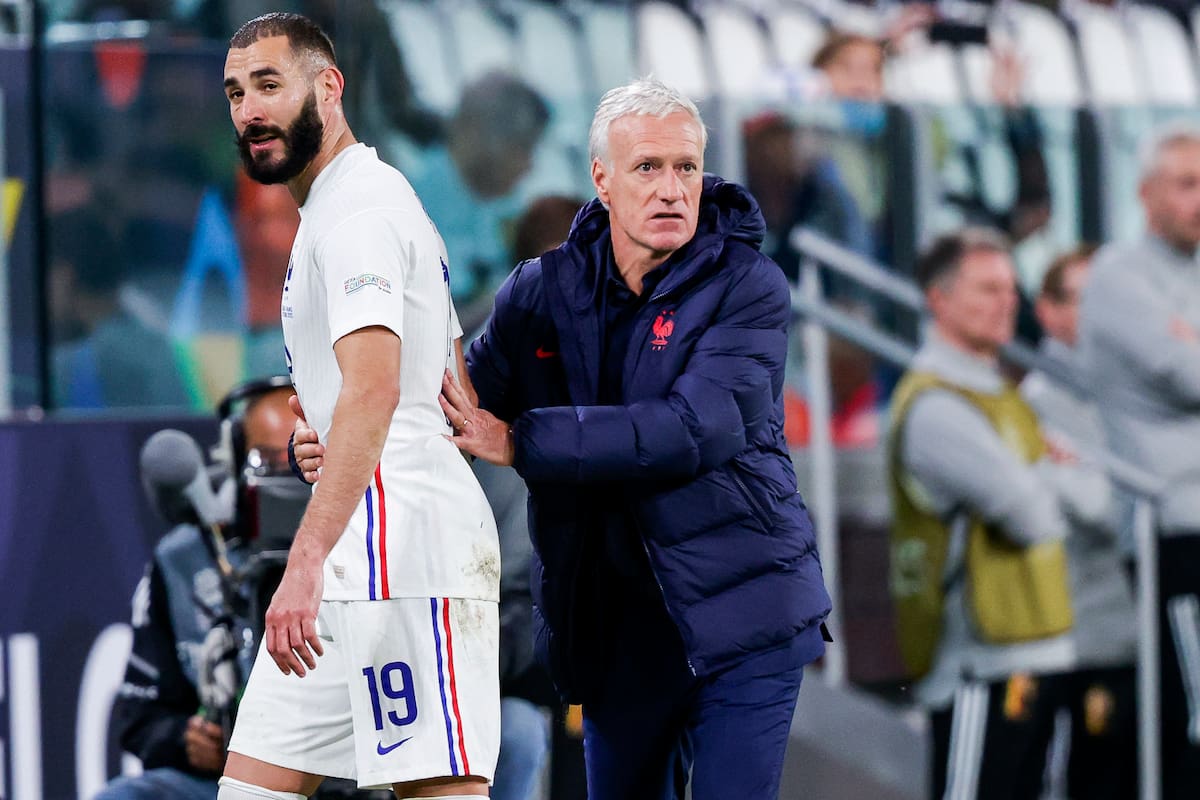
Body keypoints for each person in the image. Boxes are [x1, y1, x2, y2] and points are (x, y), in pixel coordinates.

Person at [433, 78, 832, 799]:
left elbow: (692, 429)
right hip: (615, 626)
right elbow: (451, 404)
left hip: (743, 615)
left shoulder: (750, 286)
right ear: (603, 180)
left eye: (687, 167)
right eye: (648, 167)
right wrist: (338, 436)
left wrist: (523, 439)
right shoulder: (541, 289)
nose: (673, 188)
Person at [217, 13, 499, 800]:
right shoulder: (348, 206)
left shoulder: (360, 215)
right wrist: (339, 432)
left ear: (329, 88)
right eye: (236, 93)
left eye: (270, 84)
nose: (249, 111)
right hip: (350, 558)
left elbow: (380, 390)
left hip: (405, 561)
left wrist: (300, 564)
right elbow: (440, 395)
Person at [887, 228, 1108, 799]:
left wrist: (1037, 476)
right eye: (987, 288)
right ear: (939, 299)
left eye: (1010, 288)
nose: (1005, 301)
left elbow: (1099, 503)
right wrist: (1050, 474)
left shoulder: (1002, 394)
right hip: (978, 661)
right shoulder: (936, 405)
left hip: (1038, 645)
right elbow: (1037, 517)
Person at [97, 381, 299, 800]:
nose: (287, 476)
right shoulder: (186, 558)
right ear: (235, 457)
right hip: (227, 781)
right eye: (269, 459)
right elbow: (141, 720)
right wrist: (185, 739)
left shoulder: (376, 541)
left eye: (301, 456)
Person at [1079, 122, 1200, 799]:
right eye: (1186, 183)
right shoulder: (1120, 275)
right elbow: (1189, 376)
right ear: (1145, 193)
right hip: (1173, 531)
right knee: (1194, 718)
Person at [1020, 247, 1138, 799]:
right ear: (1048, 310)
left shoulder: (1131, 391)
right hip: (1076, 639)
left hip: (1131, 631)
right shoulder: (1035, 402)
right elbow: (1107, 513)